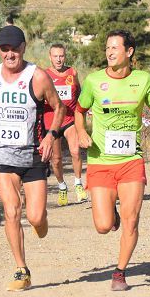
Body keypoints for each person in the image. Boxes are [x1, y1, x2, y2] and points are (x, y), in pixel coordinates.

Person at [0, 24, 66, 291]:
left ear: (23, 48)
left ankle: (40, 223)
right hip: (3, 153)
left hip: (33, 154)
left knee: (35, 217)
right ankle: (21, 269)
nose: (10, 54)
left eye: (15, 49)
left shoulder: (38, 77)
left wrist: (51, 136)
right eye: (5, 49)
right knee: (11, 211)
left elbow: (59, 107)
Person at [74, 30, 150, 291]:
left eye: (115, 48)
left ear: (129, 52)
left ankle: (119, 273)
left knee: (132, 219)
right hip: (100, 161)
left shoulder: (143, 80)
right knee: (104, 226)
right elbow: (79, 110)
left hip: (131, 160)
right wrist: (82, 132)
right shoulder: (94, 81)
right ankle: (111, 215)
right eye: (107, 48)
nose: (109, 52)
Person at [44, 43, 86, 206]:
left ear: (65, 56)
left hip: (69, 121)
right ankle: (62, 187)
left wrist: (83, 109)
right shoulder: (44, 75)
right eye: (55, 56)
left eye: (61, 56)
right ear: (50, 57)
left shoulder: (72, 72)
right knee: (56, 159)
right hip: (52, 123)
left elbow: (80, 93)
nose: (59, 59)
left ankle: (78, 184)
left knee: (76, 152)